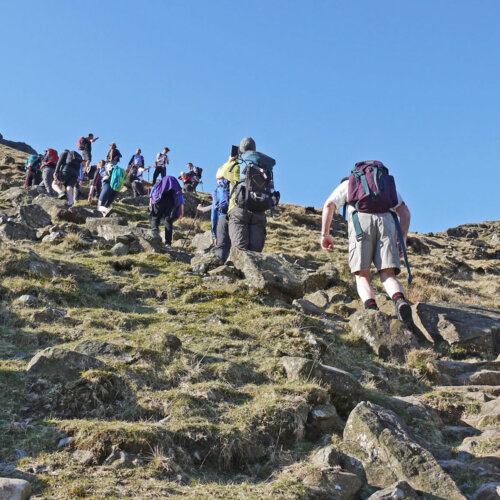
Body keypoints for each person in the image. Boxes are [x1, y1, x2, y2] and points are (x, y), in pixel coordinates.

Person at [320, 162, 413, 324]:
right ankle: (399, 301)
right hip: (387, 222)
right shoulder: (384, 185)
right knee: (387, 274)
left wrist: (325, 234)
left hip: (360, 224)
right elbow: (405, 212)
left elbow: (329, 205)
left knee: (362, 275)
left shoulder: (347, 184)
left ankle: (372, 310)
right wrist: (402, 240)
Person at [218, 137, 277, 252]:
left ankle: (241, 269)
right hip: (259, 209)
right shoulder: (263, 166)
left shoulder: (238, 164)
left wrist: (230, 160)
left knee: (240, 250)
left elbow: (222, 173)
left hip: (239, 209)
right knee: (255, 252)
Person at [197, 174, 231, 261]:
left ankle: (220, 268)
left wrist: (215, 235)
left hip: (223, 219)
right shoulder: (234, 187)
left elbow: (214, 214)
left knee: (222, 247)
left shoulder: (219, 190)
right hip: (238, 219)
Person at [149, 175, 184, 247]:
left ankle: (154, 233)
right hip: (171, 203)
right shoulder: (176, 187)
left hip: (158, 201)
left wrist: (150, 203)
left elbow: (152, 193)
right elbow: (181, 200)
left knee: (156, 217)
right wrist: (181, 212)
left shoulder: (159, 184)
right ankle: (168, 242)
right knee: (168, 221)